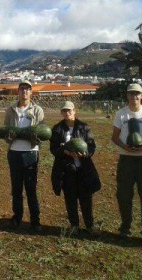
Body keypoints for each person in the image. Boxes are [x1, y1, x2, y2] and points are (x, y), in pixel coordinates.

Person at [111, 83, 142, 244]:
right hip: (126, 159)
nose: (134, 97)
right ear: (127, 96)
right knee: (124, 195)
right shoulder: (121, 114)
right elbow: (115, 137)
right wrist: (125, 147)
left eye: (137, 94)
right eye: (131, 94)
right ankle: (125, 228)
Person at [50, 101, 101, 236]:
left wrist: (86, 153)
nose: (67, 113)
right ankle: (74, 226)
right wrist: (65, 152)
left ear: (74, 111)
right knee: (70, 198)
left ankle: (90, 225)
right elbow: (53, 148)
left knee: (86, 198)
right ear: (62, 112)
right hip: (67, 170)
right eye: (64, 111)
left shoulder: (84, 128)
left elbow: (91, 146)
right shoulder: (57, 129)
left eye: (69, 110)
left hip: (83, 169)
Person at [3, 80, 44, 231]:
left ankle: (35, 221)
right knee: (16, 188)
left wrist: (34, 138)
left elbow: (41, 132)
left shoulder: (38, 110)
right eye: (22, 89)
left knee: (31, 188)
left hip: (30, 153)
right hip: (14, 152)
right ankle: (17, 218)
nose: (24, 92)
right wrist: (10, 137)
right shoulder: (10, 109)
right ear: (18, 92)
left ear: (31, 92)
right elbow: (6, 130)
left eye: (27, 89)